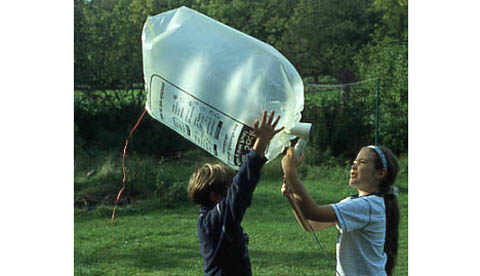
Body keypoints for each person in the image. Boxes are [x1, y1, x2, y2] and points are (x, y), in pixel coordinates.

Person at [188, 110, 284, 276]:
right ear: (215, 196)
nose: (232, 191)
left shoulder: (214, 221)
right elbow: (241, 189)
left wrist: (255, 145)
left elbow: (240, 182)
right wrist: (261, 143)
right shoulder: (214, 222)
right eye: (228, 188)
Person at [281, 145, 400, 276]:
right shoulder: (354, 202)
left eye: (362, 162)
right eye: (354, 162)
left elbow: (312, 212)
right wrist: (292, 198)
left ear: (380, 173)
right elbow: (311, 224)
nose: (354, 166)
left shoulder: (368, 206)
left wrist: (290, 171)